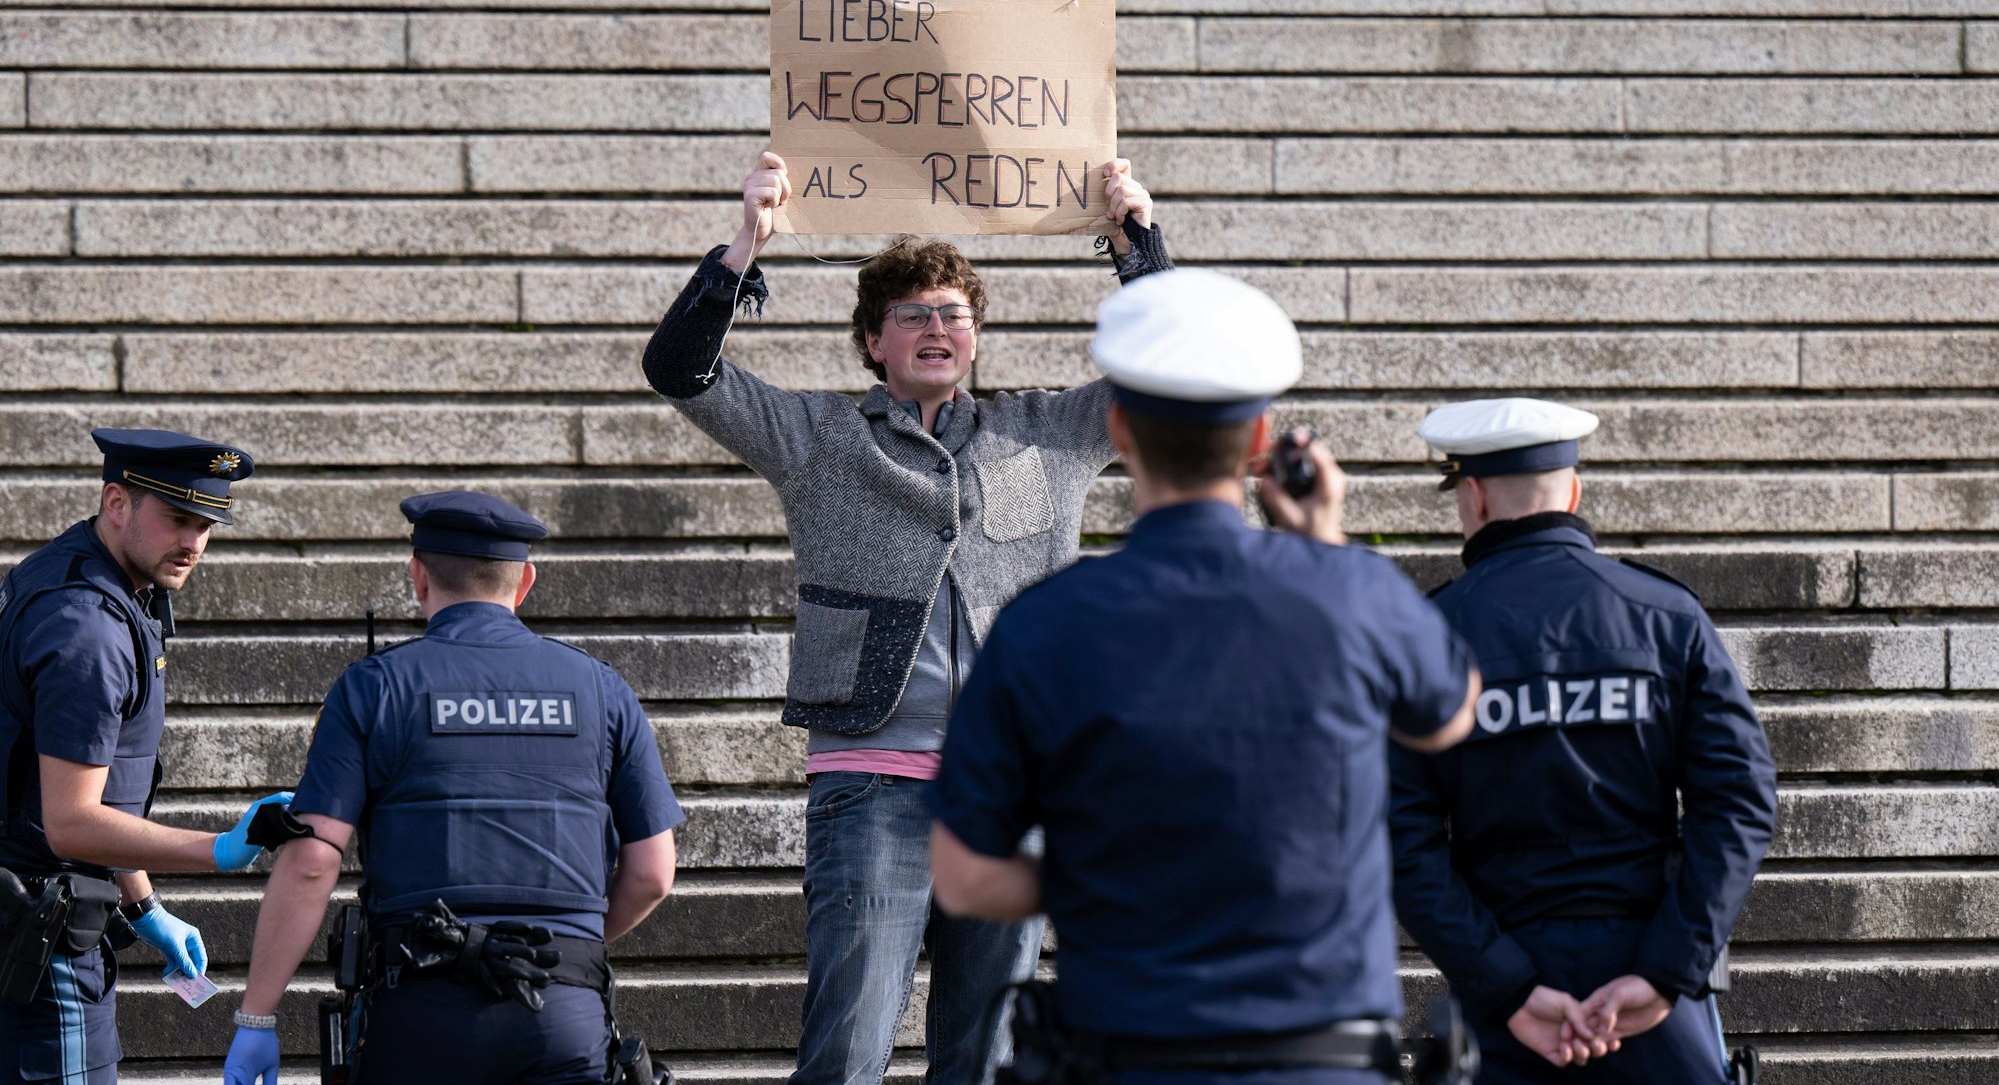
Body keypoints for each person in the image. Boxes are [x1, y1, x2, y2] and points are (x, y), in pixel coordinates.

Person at [641, 149, 1172, 1085]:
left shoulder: (1045, 431)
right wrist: (744, 244)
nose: (935, 327)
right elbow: (680, 371)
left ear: (974, 338)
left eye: (953, 315)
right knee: (847, 1046)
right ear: (873, 343)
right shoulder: (818, 437)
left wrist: (1137, 247)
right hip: (872, 786)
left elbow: (1174, 370)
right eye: (912, 315)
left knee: (984, 1054)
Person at [927, 269, 1481, 1085]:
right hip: (1319, 1060)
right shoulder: (1351, 593)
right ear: (1260, 438)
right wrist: (1326, 545)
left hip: (1127, 1054)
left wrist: (1107, 876)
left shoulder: (1044, 623)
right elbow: (1448, 714)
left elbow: (964, 875)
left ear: (1118, 431)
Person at [220, 492, 683, 1085]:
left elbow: (312, 860)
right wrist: (557, 945)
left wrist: (256, 1018)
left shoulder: (374, 686)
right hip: (562, 1016)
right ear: (525, 583)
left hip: (418, 1014)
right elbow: (652, 874)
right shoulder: (602, 689)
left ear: (418, 576)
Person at [1389, 398, 1779, 1084]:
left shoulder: (1427, 635)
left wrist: (1505, 986)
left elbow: (1396, 834)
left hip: (1503, 987)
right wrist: (1666, 971)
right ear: (1571, 491)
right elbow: (1739, 803)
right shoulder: (1666, 615)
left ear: (1472, 496)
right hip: (1651, 978)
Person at [0, 428, 292, 1085]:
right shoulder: (88, 629)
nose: (192, 542)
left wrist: (144, 906)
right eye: (176, 519)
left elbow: (102, 791)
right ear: (116, 503)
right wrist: (222, 847)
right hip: (43, 956)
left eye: (205, 524)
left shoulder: (92, 575)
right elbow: (71, 822)